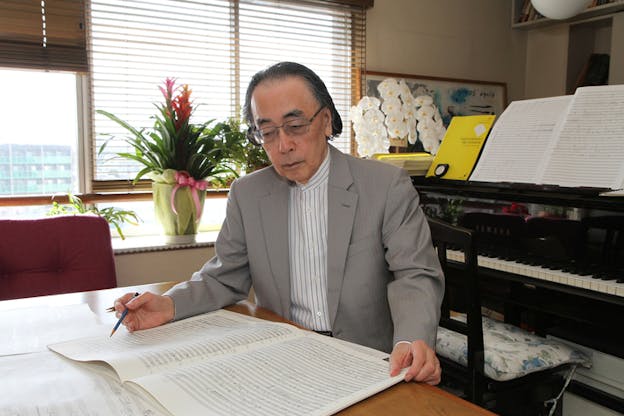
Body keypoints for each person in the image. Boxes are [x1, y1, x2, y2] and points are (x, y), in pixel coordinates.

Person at [114, 62, 444, 385]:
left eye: (295, 126)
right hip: (285, 356)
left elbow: (415, 274)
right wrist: (169, 304)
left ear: (326, 121)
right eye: (267, 132)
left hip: (370, 361)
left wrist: (409, 340)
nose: (283, 146)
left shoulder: (385, 185)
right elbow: (223, 278)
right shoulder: (247, 194)